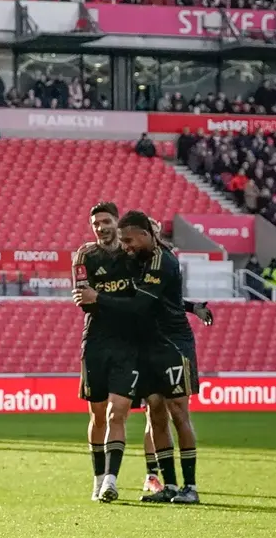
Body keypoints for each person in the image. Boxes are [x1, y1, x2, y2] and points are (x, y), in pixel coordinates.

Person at [75, 210, 202, 504]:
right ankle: (169, 485)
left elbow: (142, 304)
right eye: (124, 241)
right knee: (156, 412)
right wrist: (193, 305)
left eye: (130, 241)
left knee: (179, 413)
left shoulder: (161, 259)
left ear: (146, 235)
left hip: (173, 345)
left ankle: (190, 487)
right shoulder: (135, 261)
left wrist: (99, 298)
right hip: (146, 347)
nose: (127, 246)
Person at [71, 203, 141, 502]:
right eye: (96, 223)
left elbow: (139, 303)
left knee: (117, 413)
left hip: (128, 344)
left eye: (106, 221)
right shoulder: (85, 256)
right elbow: (83, 300)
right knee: (98, 415)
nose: (101, 227)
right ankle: (98, 477)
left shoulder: (132, 256)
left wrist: (101, 297)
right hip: (96, 342)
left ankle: (111, 480)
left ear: (117, 222)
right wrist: (113, 301)